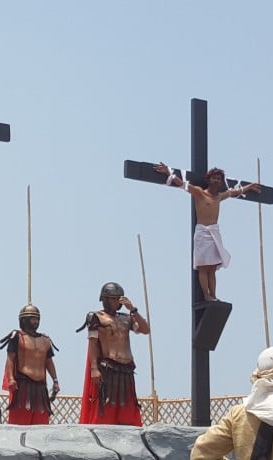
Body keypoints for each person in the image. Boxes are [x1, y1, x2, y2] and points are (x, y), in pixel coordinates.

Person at [154, 163, 260, 301]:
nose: (216, 181)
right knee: (203, 267)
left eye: (219, 179)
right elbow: (183, 184)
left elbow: (234, 192)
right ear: (209, 179)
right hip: (203, 233)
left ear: (221, 182)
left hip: (214, 233)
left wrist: (249, 187)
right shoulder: (200, 193)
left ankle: (214, 296)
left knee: (212, 267)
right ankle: (206, 295)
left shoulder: (219, 196)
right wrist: (168, 172)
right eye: (214, 178)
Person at [77, 282, 150, 426]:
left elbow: (145, 329)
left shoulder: (127, 318)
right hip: (107, 367)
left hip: (126, 368)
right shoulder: (97, 317)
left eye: (119, 299)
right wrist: (94, 368)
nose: (117, 302)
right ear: (105, 299)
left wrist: (133, 309)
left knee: (127, 408)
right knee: (105, 408)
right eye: (113, 298)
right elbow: (93, 343)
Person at [0, 304, 59, 425]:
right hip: (23, 386)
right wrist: (11, 378)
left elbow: (49, 361)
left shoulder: (45, 340)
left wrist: (55, 380)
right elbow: (10, 359)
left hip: (41, 388)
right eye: (33, 319)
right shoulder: (17, 337)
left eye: (37, 318)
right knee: (19, 423)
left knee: (41, 425)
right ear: (24, 320)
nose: (36, 321)